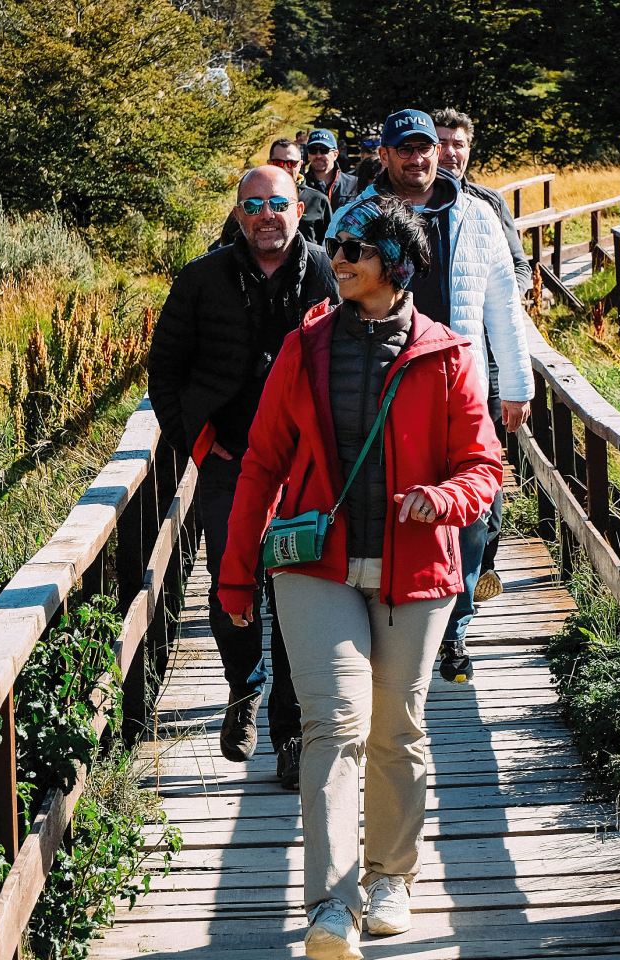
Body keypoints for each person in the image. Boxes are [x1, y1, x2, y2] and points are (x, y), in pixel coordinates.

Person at [219, 194, 504, 959]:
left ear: (397, 265)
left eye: (356, 247)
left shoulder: (447, 354)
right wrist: (235, 577)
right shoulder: (304, 346)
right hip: (317, 563)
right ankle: (333, 905)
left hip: (418, 567)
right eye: (336, 243)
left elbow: (484, 466)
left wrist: (445, 498)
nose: (337, 256)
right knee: (334, 726)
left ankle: (392, 879)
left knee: (397, 728)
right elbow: (262, 464)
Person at [147, 163, 338, 789]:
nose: (266, 215)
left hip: (302, 469)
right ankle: (242, 688)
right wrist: (196, 443)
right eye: (253, 204)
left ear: (300, 210)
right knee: (233, 583)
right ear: (237, 214)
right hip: (230, 462)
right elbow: (166, 369)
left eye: (277, 203)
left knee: (294, 592)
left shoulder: (325, 274)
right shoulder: (202, 278)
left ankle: (287, 732)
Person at [330, 109, 533, 691]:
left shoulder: (477, 215)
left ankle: (455, 622)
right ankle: (387, 623)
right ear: (386, 156)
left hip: (459, 383)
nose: (419, 158)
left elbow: (504, 307)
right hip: (376, 385)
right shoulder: (356, 217)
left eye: (427, 148)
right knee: (388, 504)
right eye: (406, 149)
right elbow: (330, 298)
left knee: (472, 512)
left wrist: (516, 388)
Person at [431, 107, 534, 675]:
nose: (449, 152)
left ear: (470, 149)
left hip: (482, 377)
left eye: (458, 143)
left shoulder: (487, 207)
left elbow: (515, 275)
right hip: (419, 380)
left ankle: (460, 618)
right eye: (440, 142)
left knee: (482, 505)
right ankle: (441, 620)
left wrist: (514, 375)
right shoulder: (405, 205)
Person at [215, 139, 333, 247]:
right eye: (279, 163)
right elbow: (226, 244)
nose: (286, 168)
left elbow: (330, 244)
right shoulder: (250, 199)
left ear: (300, 164)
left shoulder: (318, 200)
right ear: (269, 163)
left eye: (291, 163)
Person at [304, 129, 361, 211]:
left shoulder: (354, 184)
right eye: (313, 150)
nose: (318, 155)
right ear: (308, 154)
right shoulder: (300, 186)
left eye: (324, 150)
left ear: (335, 155)